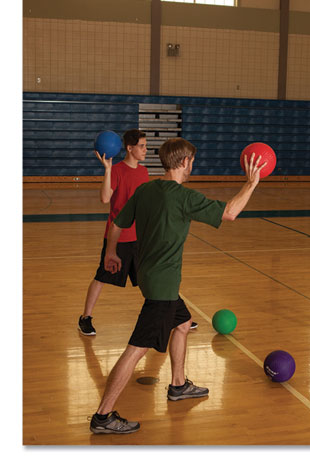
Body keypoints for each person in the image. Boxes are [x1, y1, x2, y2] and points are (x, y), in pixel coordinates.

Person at [89, 138, 266, 434]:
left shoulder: (145, 190)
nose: (192, 165)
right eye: (192, 161)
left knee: (183, 323)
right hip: (162, 288)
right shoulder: (183, 197)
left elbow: (118, 223)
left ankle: (178, 385)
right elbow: (230, 213)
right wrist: (251, 183)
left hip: (150, 278)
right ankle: (103, 416)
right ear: (185, 162)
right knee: (135, 349)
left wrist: (110, 252)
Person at [78, 130, 199, 335]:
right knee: (102, 277)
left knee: (158, 277)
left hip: (141, 237)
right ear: (129, 148)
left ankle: (176, 315)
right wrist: (107, 170)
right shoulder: (116, 170)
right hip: (118, 237)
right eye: (142, 146)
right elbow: (105, 199)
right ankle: (85, 318)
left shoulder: (143, 173)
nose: (145, 149)